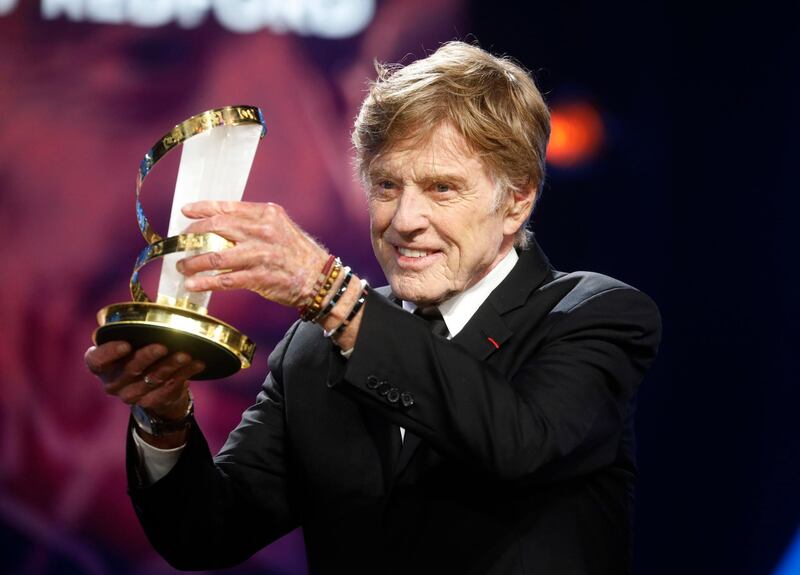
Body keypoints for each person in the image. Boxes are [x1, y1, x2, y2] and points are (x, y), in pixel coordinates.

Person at [85, 41, 661, 574]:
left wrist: (329, 290)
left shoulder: (596, 315)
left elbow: (518, 443)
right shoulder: (314, 349)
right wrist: (164, 422)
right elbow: (205, 533)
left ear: (515, 201)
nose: (404, 220)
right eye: (387, 187)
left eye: (441, 188)